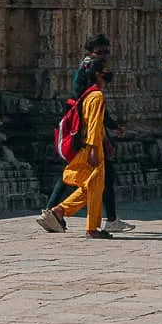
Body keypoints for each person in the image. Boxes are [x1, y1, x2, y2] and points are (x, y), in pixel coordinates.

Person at [38, 62, 109, 237]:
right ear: (98, 75)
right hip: (91, 147)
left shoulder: (87, 96)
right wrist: (94, 148)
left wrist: (106, 141)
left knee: (92, 185)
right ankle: (90, 227)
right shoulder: (97, 96)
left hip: (88, 145)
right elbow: (93, 124)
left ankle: (60, 211)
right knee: (93, 185)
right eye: (105, 70)